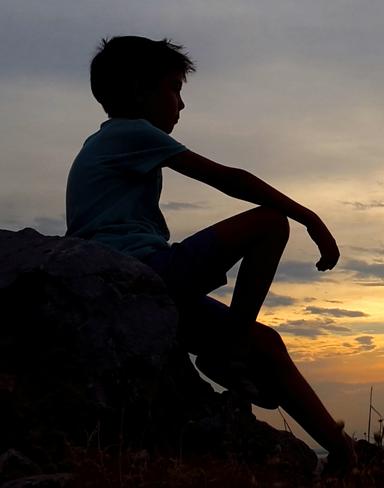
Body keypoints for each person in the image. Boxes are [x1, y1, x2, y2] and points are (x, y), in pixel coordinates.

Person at [65, 36, 355, 470]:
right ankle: (231, 352)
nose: (181, 105)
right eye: (173, 89)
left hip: (144, 283)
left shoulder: (110, 143)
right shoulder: (130, 131)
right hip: (135, 277)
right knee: (269, 223)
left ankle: (343, 453)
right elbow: (229, 179)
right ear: (139, 89)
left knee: (267, 343)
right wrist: (307, 217)